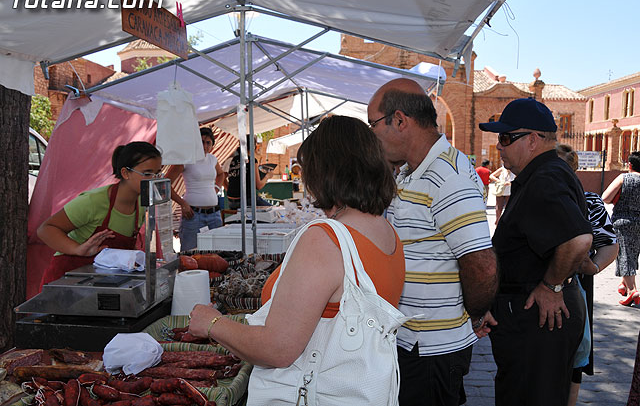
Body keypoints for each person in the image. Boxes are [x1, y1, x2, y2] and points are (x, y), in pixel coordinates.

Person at [187, 116, 405, 397]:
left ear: (324, 172)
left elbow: (277, 349)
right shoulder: (387, 232)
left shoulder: (325, 239)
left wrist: (212, 323)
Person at [368, 78, 498, 406]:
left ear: (400, 120)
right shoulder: (412, 171)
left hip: (431, 349)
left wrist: (476, 313)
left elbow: (481, 265)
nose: (372, 135)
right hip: (411, 341)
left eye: (373, 124)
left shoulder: (448, 176)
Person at [479, 98, 592, 406]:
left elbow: (578, 239)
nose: (499, 146)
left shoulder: (545, 178)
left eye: (505, 138)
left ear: (532, 140)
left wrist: (551, 286)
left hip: (538, 322)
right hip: (532, 320)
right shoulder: (545, 173)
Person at [38, 141, 162, 288]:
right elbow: (46, 229)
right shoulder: (93, 201)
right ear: (125, 173)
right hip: (66, 280)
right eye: (147, 174)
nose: (155, 179)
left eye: (157, 173)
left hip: (103, 281)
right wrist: (77, 249)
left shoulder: (142, 203)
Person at [556, 144, 619, 406]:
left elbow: (609, 243)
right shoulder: (531, 195)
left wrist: (593, 267)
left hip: (576, 285)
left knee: (575, 355)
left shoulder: (589, 200)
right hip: (534, 287)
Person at [166, 127, 225, 252]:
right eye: (201, 142)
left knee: (217, 253)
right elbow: (165, 183)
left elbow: (221, 174)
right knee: (190, 254)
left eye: (208, 143)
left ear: (212, 145)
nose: (204, 146)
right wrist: (182, 203)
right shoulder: (186, 159)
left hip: (214, 215)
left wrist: (215, 189)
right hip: (193, 215)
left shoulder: (212, 159)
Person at [602, 151, 640, 305]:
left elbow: (605, 197)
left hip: (623, 221)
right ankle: (624, 284)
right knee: (632, 253)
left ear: (629, 165)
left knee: (624, 254)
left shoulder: (624, 178)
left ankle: (632, 290)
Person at [226, 135, 274, 209]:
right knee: (273, 209)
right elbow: (259, 186)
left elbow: (223, 175)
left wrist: (230, 190)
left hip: (231, 201)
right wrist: (267, 176)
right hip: (246, 200)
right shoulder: (252, 160)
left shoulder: (232, 160)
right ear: (254, 146)